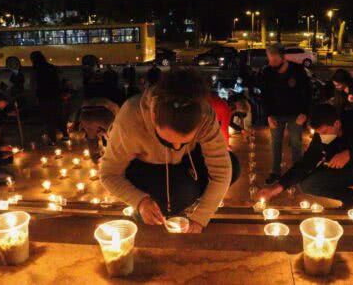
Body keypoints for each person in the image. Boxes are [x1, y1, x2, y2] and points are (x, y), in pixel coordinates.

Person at [100, 69, 239, 233]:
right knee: (174, 198)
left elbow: (222, 170)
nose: (176, 148)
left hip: (187, 161)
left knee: (233, 166)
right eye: (167, 141)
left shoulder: (204, 116)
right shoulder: (130, 117)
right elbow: (109, 174)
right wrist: (140, 201)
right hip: (145, 165)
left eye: (185, 142)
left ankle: (188, 194)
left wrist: (201, 217)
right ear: (153, 115)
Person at [256, 103, 353, 212]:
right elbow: (305, 164)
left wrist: (350, 153)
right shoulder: (321, 137)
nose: (321, 136)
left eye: (324, 131)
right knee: (308, 183)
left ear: (336, 124)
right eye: (318, 133)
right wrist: (275, 189)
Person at [259, 43, 311, 185]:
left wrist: (304, 113)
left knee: (296, 144)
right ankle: (275, 172)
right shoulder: (267, 72)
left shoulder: (298, 70)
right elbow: (264, 96)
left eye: (274, 60)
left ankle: (297, 173)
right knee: (275, 144)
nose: (271, 63)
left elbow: (307, 93)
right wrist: (268, 115)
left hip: (295, 114)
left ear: (283, 57)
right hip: (275, 115)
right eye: (269, 59)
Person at [30, 51, 67, 144]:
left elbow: (33, 84)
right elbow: (58, 80)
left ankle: (53, 139)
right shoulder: (51, 67)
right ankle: (65, 135)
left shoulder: (35, 69)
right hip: (55, 95)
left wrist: (34, 96)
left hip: (44, 97)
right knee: (59, 116)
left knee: (48, 118)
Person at [79, 98, 120, 164]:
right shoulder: (111, 102)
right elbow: (118, 117)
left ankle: (96, 159)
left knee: (91, 139)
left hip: (86, 116)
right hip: (103, 114)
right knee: (112, 136)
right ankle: (112, 157)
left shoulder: (89, 99)